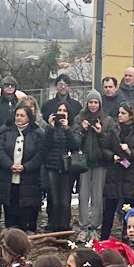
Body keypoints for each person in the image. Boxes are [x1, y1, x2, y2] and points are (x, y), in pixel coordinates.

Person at [104, 104, 134, 238]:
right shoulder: (114, 130)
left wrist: (131, 151)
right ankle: (104, 238)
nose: (119, 115)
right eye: (119, 112)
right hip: (115, 173)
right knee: (109, 209)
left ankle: (128, 239)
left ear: (131, 115)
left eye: (123, 113)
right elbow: (105, 147)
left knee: (129, 210)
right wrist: (112, 156)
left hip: (133, 175)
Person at [74, 91, 116, 242]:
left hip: (100, 162)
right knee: (83, 195)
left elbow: (111, 142)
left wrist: (101, 132)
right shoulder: (79, 118)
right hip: (84, 163)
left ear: (100, 104)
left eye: (95, 102)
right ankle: (84, 226)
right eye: (90, 102)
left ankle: (95, 226)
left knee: (97, 195)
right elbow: (74, 141)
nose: (93, 105)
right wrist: (82, 130)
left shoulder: (107, 120)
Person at [0, 105, 44, 233]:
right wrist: (9, 165)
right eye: (17, 115)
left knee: (27, 209)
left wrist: (25, 167)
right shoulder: (6, 132)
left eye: (22, 115)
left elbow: (40, 154)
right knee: (10, 207)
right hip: (8, 177)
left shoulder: (36, 134)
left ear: (28, 117)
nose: (19, 118)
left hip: (29, 179)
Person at [42, 100, 80, 233]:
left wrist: (67, 129)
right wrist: (51, 127)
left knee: (65, 198)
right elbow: (44, 146)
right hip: (52, 165)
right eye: (59, 111)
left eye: (64, 111)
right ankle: (52, 224)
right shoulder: (50, 128)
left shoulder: (73, 127)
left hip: (67, 167)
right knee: (53, 198)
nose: (61, 113)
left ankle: (64, 225)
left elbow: (75, 145)